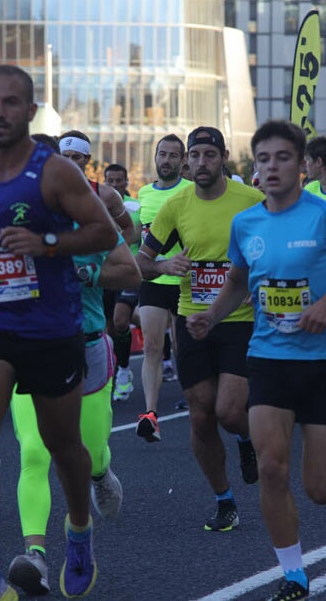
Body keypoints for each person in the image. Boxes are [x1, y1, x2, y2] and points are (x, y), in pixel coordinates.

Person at [0, 65, 118, 600]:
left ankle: (78, 531)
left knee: (64, 447)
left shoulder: (56, 172)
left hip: (49, 327)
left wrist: (49, 244)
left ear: (30, 111)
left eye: (10, 103)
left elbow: (103, 230)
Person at [186, 120, 326, 601]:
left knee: (318, 490)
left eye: (282, 158)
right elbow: (237, 280)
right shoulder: (247, 222)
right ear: (254, 168)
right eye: (263, 159)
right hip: (268, 357)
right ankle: (294, 574)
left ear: (301, 165)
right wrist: (210, 318)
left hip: (324, 363)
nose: (272, 167)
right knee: (272, 469)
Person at [136, 126, 264, 530]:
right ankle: (224, 500)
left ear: (224, 156)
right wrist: (161, 266)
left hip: (239, 320)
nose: (202, 163)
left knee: (228, 411)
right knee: (200, 417)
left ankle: (246, 440)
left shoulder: (251, 201)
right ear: (187, 159)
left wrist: (257, 284)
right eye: (196, 156)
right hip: (193, 321)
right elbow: (139, 260)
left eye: (210, 155)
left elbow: (277, 249)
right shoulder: (176, 205)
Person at [7, 236, 141, 596]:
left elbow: (132, 273)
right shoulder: (7, 216)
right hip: (29, 347)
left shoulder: (90, 212)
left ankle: (97, 480)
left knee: (87, 453)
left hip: (87, 345)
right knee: (34, 452)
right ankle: (35, 555)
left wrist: (85, 271)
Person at [133, 135, 193, 441]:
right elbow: (137, 236)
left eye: (172, 155)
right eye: (162, 154)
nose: (166, 160)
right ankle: (150, 414)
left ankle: (195, 404)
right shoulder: (143, 193)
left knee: (185, 348)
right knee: (153, 347)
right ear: (154, 157)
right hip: (154, 280)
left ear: (183, 161)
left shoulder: (191, 191)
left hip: (186, 282)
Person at [104, 163, 143, 401]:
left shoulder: (136, 206)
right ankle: (117, 370)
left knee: (120, 321)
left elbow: (139, 233)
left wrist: (127, 230)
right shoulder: (96, 205)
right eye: (111, 181)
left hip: (129, 271)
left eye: (120, 180)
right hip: (105, 272)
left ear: (127, 181)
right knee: (109, 328)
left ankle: (124, 371)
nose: (116, 184)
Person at [58, 131, 135, 245]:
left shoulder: (106, 195)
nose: (70, 162)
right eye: (65, 156)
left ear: (87, 159)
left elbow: (128, 228)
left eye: (76, 157)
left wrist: (114, 257)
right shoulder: (43, 190)